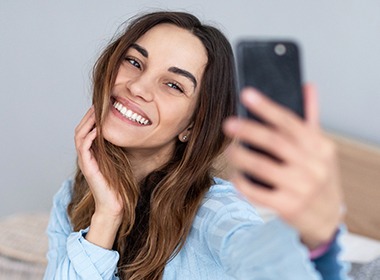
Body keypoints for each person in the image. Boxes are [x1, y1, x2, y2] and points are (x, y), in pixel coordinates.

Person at [44, 11, 349, 279]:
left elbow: (265, 261)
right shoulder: (73, 197)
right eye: (134, 62)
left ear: (192, 125)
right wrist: (107, 216)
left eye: (173, 85)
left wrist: (316, 241)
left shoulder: (215, 211)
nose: (137, 87)